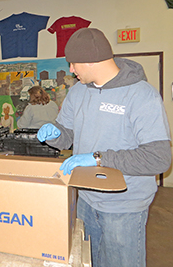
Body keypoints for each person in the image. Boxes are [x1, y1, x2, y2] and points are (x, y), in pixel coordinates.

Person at [37, 28, 171, 267]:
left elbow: (159, 158)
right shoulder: (77, 92)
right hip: (86, 199)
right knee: (87, 261)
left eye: (73, 64)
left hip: (124, 204)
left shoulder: (141, 95)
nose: (71, 70)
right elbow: (67, 135)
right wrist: (55, 134)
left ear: (90, 61)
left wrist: (98, 158)